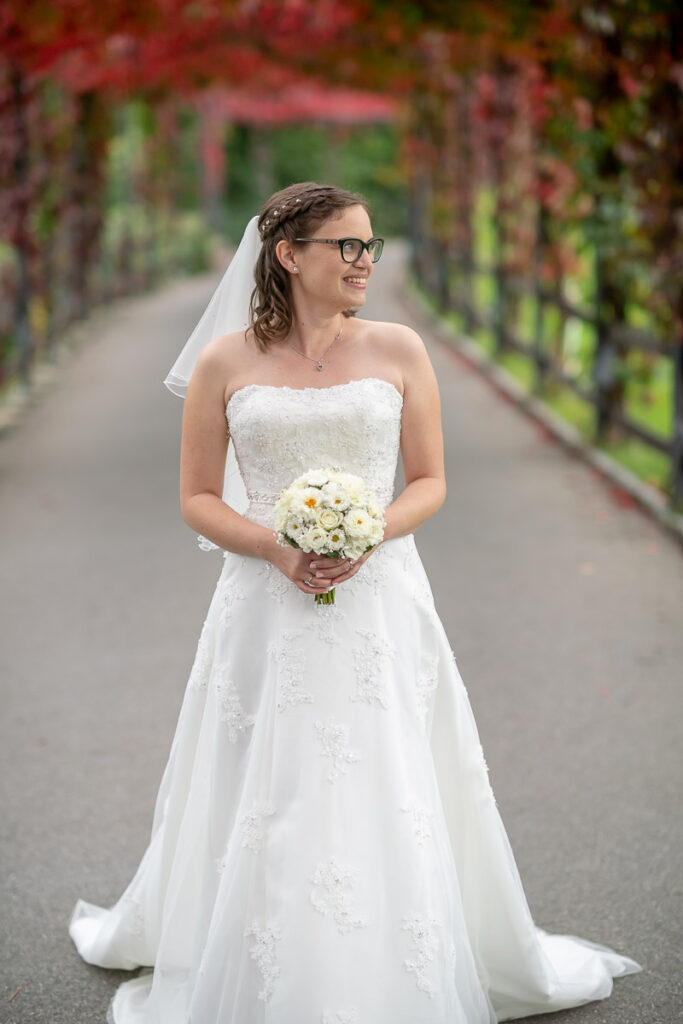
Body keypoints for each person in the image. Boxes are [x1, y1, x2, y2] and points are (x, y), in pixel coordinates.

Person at [69, 181, 641, 1023]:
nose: (364, 260)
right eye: (346, 245)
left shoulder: (400, 348)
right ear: (288, 255)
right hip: (262, 606)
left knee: (388, 775)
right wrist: (275, 545)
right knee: (268, 781)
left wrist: (364, 536)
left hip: (379, 602)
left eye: (369, 244)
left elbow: (432, 481)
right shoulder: (227, 363)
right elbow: (197, 498)